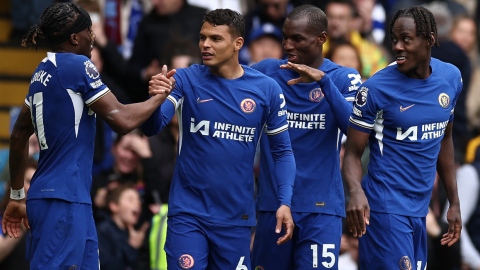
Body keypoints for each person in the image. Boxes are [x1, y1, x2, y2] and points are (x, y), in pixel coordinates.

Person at [1, 2, 171, 269]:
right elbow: (123, 120)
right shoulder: (79, 65)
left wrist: (17, 195)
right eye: (90, 33)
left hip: (64, 198)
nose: (94, 40)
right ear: (74, 38)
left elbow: (20, 135)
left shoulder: (41, 72)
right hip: (63, 199)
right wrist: (159, 98)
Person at [145, 8, 296, 269]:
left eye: (216, 38)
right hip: (188, 214)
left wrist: (285, 202)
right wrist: (154, 99)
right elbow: (153, 127)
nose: (205, 44)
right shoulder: (185, 78)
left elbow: (283, 152)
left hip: (236, 219)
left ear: (238, 44)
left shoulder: (266, 89)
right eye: (203, 37)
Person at [343, 6, 462, 270]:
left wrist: (453, 202)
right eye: (394, 39)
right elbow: (352, 152)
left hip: (420, 211)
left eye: (406, 39)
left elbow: (445, 139)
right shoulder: (376, 88)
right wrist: (355, 192)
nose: (397, 46)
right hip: (384, 210)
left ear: (429, 39)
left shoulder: (451, 78)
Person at [249, 5, 362, 270]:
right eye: (285, 37)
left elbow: (355, 132)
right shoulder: (267, 71)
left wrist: (323, 82)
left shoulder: (344, 78)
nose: (288, 45)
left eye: (297, 39)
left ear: (321, 38)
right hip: (273, 205)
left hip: (321, 209)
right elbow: (228, 81)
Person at [97, 183, 149, 270]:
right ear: (114, 206)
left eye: (139, 199)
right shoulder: (103, 231)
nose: (138, 203)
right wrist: (132, 247)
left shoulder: (135, 232)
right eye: (130, 200)